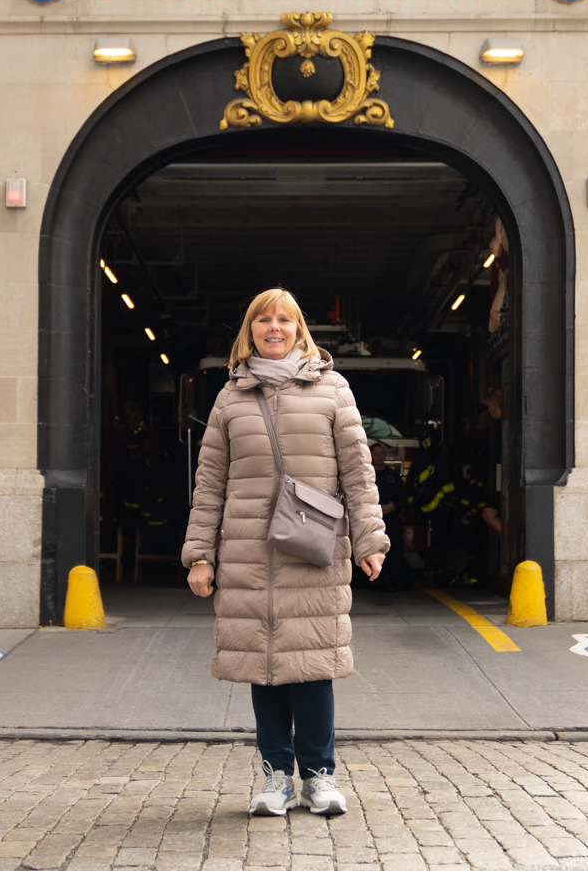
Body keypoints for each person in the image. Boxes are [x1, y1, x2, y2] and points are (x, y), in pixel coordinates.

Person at [182, 288, 389, 817]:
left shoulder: (333, 390)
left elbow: (358, 475)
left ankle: (319, 775)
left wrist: (370, 538)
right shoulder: (230, 398)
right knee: (265, 667)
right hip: (249, 553)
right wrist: (200, 553)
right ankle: (276, 776)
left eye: (285, 320)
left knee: (313, 665)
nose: (274, 328)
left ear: (300, 330)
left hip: (311, 548)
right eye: (263, 320)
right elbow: (208, 484)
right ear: (249, 330)